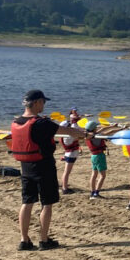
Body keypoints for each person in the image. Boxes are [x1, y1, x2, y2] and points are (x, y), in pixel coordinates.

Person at [10, 89, 83, 251]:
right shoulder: (42, 122)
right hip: (44, 167)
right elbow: (68, 131)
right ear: (36, 103)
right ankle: (43, 240)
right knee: (47, 203)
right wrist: (84, 134)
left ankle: (24, 240)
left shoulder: (16, 121)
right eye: (43, 102)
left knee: (27, 202)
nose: (44, 105)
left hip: (26, 168)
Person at [85, 119, 108, 198]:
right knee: (102, 175)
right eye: (96, 127)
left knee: (94, 175)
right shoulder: (96, 136)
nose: (97, 128)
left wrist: (113, 126)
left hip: (93, 156)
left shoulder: (88, 135)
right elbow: (107, 133)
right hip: (99, 156)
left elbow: (102, 129)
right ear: (94, 129)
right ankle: (96, 193)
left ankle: (92, 192)